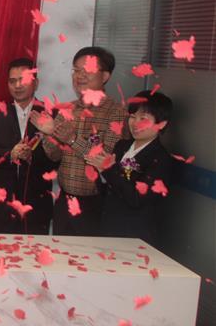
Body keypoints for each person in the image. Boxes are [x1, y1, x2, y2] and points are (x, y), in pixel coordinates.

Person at [30, 46, 128, 236]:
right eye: (76, 70)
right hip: (64, 202)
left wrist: (72, 139)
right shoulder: (68, 109)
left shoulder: (116, 113)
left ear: (105, 76)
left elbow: (105, 159)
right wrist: (50, 133)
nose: (79, 76)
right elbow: (53, 155)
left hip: (96, 204)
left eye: (87, 70)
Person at [86, 90, 174, 245]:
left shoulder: (160, 159)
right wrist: (100, 171)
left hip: (135, 236)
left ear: (162, 123)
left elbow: (137, 199)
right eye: (133, 116)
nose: (135, 123)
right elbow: (109, 189)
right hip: (108, 228)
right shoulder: (122, 146)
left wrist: (107, 170)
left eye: (143, 118)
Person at [0, 58, 58, 234]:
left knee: (35, 249)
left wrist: (48, 137)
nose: (17, 85)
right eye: (12, 81)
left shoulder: (51, 114)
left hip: (37, 202)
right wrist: (10, 154)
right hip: (3, 201)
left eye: (23, 80)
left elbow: (58, 158)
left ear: (36, 83)